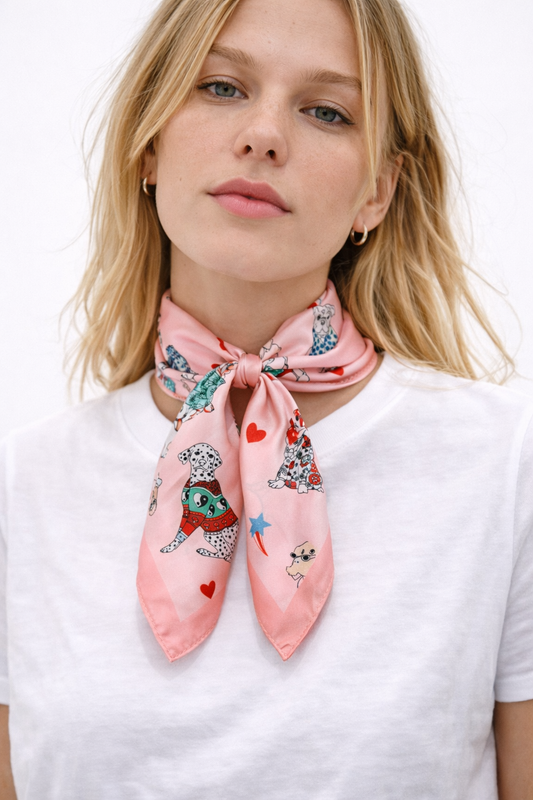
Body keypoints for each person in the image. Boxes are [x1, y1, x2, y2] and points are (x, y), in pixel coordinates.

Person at [1, 0, 532, 797]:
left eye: (326, 111)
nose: (263, 135)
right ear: (148, 146)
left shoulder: (506, 466)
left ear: (377, 193)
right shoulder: (22, 485)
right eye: (221, 87)